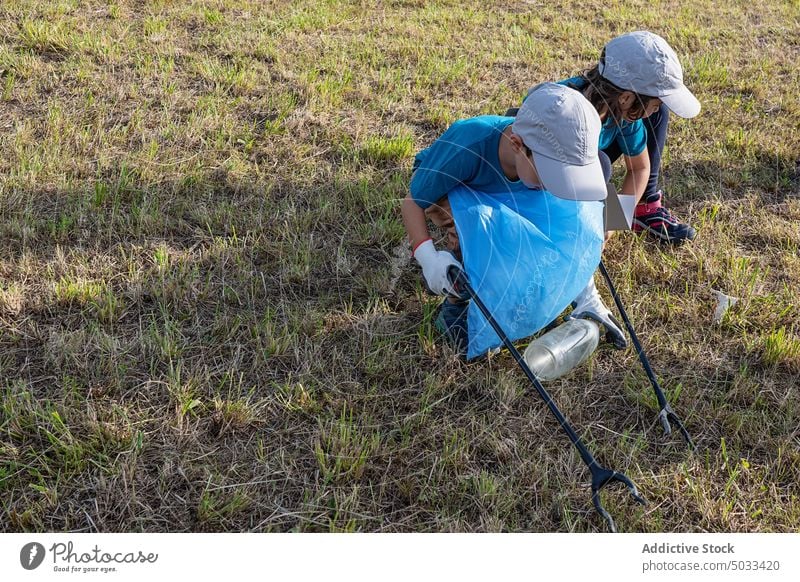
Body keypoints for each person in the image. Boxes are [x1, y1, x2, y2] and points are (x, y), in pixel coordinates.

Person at [401, 82, 625, 356]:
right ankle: (457, 301)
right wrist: (429, 261)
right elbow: (412, 202)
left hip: (519, 187)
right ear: (518, 145)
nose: (554, 183)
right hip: (462, 187)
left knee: (557, 217)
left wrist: (586, 289)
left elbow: (579, 219)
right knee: (476, 232)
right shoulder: (468, 144)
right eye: (550, 173)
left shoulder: (553, 154)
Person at [512, 31, 701, 243]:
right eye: (655, 103)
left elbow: (639, 168)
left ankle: (643, 207)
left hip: (584, 161)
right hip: (540, 166)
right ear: (626, 97)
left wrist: (612, 222)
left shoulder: (626, 117)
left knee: (606, 159)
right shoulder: (559, 109)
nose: (656, 111)